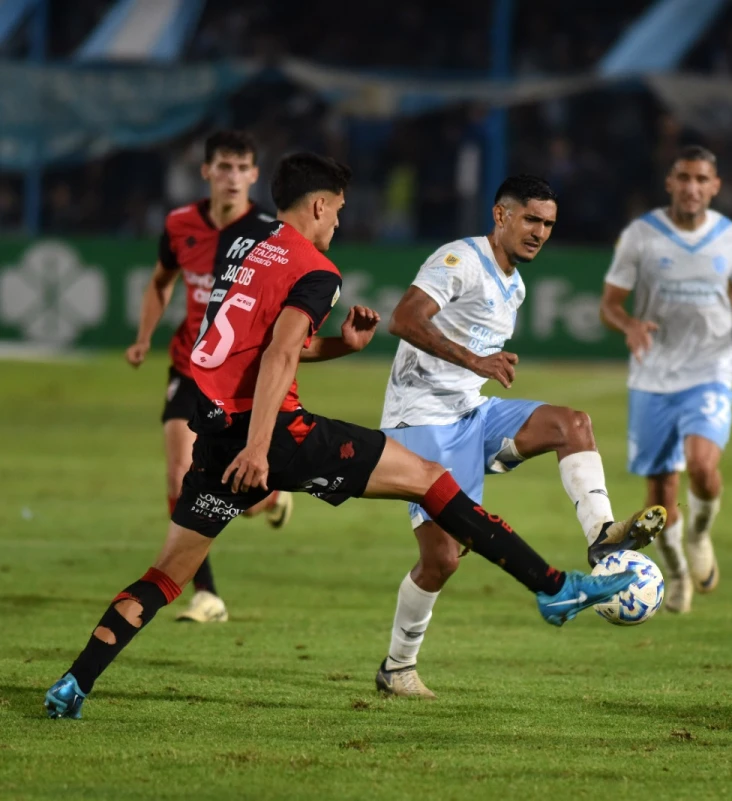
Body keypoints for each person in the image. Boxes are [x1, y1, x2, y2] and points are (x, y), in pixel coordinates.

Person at [44, 154, 635, 720]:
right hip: (273, 436)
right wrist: (259, 446)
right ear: (321, 205)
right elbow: (277, 355)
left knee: (165, 576)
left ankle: (76, 680)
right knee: (432, 482)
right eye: (340, 210)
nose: (340, 222)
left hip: (216, 440)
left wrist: (341, 347)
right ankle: (554, 586)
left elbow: (255, 344)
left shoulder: (244, 252)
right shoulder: (315, 268)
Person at [375, 175, 666, 698]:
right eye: (531, 219)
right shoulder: (461, 260)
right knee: (443, 559)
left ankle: (601, 538)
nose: (540, 232)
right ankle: (397, 668)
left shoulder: (516, 284)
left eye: (549, 224)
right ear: (501, 215)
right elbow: (403, 319)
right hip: (421, 421)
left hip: (472, 414)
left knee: (571, 424)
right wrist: (475, 359)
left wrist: (480, 375)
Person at [599, 145, 732, 614]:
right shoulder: (641, 235)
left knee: (701, 465)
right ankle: (676, 574)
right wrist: (629, 325)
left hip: (710, 369)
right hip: (653, 376)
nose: (692, 187)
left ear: (715, 186)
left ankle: (699, 536)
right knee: (660, 496)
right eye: (684, 177)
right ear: (670, 183)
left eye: (702, 179)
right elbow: (609, 303)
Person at [126, 130, 292, 624]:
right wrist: (143, 336)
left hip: (237, 376)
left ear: (255, 175)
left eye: (242, 168)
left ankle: (274, 497)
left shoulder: (267, 232)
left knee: (241, 497)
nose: (233, 178)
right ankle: (207, 594)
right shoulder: (180, 225)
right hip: (187, 366)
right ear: (207, 172)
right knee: (179, 474)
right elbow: (160, 282)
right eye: (224, 167)